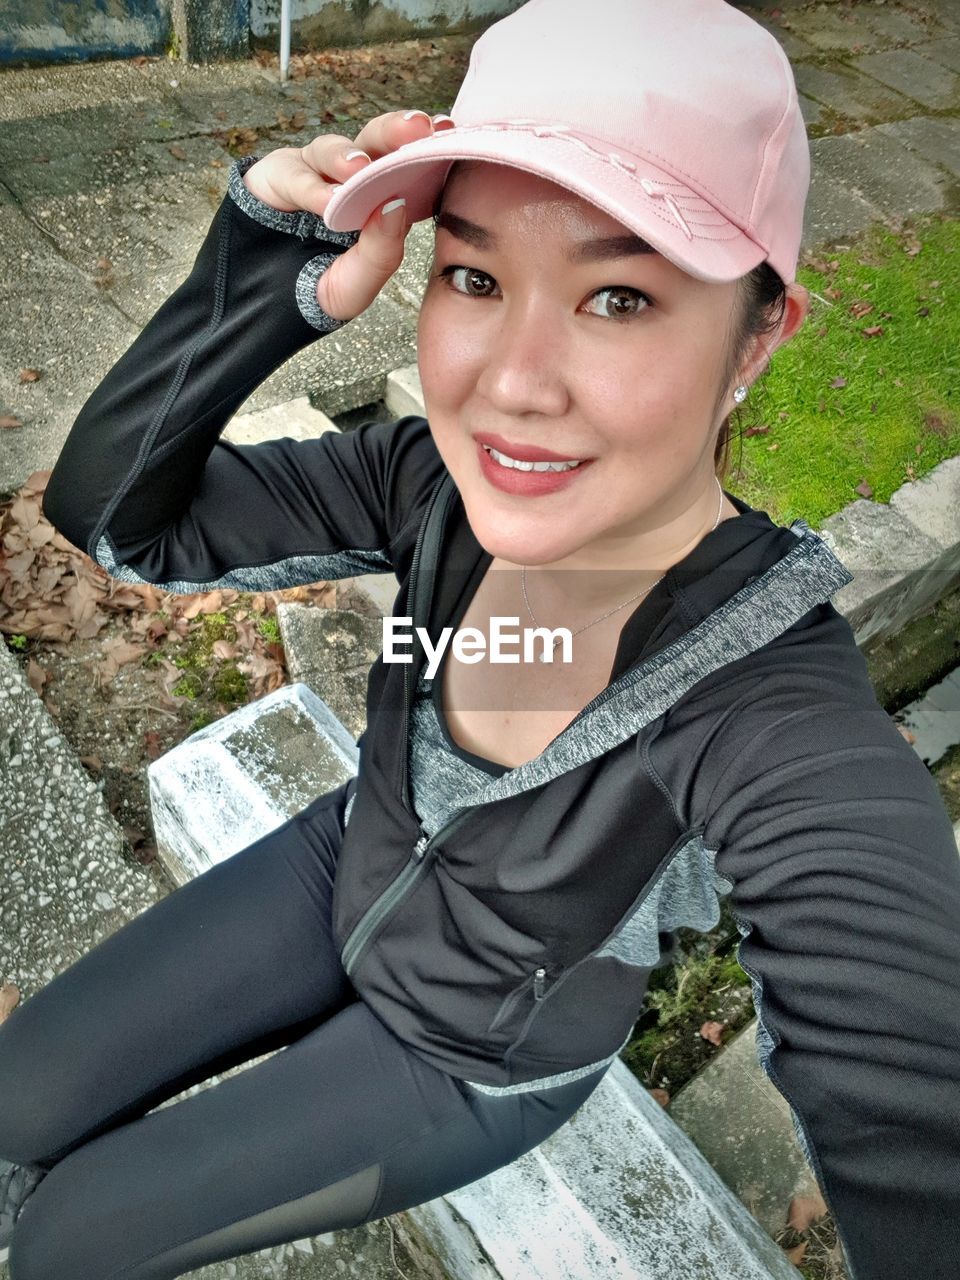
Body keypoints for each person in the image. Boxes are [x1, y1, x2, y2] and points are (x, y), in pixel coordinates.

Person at [1, 0, 958, 1275]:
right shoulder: (429, 489)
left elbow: (912, 1089)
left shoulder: (770, 709)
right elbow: (116, 517)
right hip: (343, 859)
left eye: (619, 293)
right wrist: (256, 273)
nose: (513, 378)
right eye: (474, 274)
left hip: (470, 1054)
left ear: (758, 337)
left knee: (71, 1236)